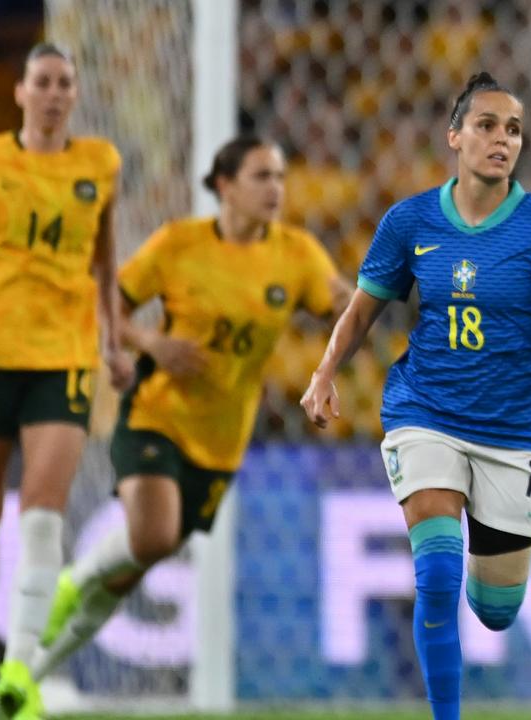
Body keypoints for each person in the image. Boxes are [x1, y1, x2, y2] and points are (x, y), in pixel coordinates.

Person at [300, 72, 531, 720]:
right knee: (435, 577)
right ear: (455, 136)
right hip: (425, 412)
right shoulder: (409, 221)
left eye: (514, 130)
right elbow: (360, 313)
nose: (501, 139)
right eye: (487, 125)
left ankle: (487, 574)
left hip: (520, 428)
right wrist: (324, 372)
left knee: (495, 612)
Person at [27, 136, 348, 683]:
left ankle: (26, 680)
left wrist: (382, 294)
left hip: (222, 436)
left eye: (279, 177)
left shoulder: (295, 254)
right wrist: (151, 345)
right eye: (261, 176)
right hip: (157, 414)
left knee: (132, 569)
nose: (276, 189)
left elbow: (342, 301)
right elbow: (108, 307)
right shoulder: (179, 244)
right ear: (225, 185)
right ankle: (73, 580)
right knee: (152, 538)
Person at [0, 43, 132, 720]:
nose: (51, 93)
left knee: (43, 515)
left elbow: (105, 267)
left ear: (74, 95)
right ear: (18, 93)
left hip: (62, 360)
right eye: (40, 82)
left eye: (63, 84)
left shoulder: (99, 166)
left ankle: (18, 673)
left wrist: (112, 341)